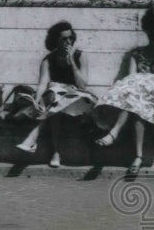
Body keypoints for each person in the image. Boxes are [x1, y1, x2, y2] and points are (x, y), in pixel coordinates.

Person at [94, 8, 154, 176]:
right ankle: (138, 157)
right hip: (138, 98)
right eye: (151, 33)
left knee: (137, 98)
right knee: (137, 102)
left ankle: (114, 133)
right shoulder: (137, 53)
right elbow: (129, 81)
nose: (152, 37)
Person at [16, 21, 98, 168]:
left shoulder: (80, 56)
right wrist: (36, 103)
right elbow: (42, 84)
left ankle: (33, 139)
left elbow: (82, 85)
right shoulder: (48, 60)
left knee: (55, 95)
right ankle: (55, 153)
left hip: (78, 101)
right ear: (55, 40)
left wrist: (71, 61)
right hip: (59, 102)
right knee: (54, 102)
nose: (68, 42)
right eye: (64, 39)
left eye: (70, 38)